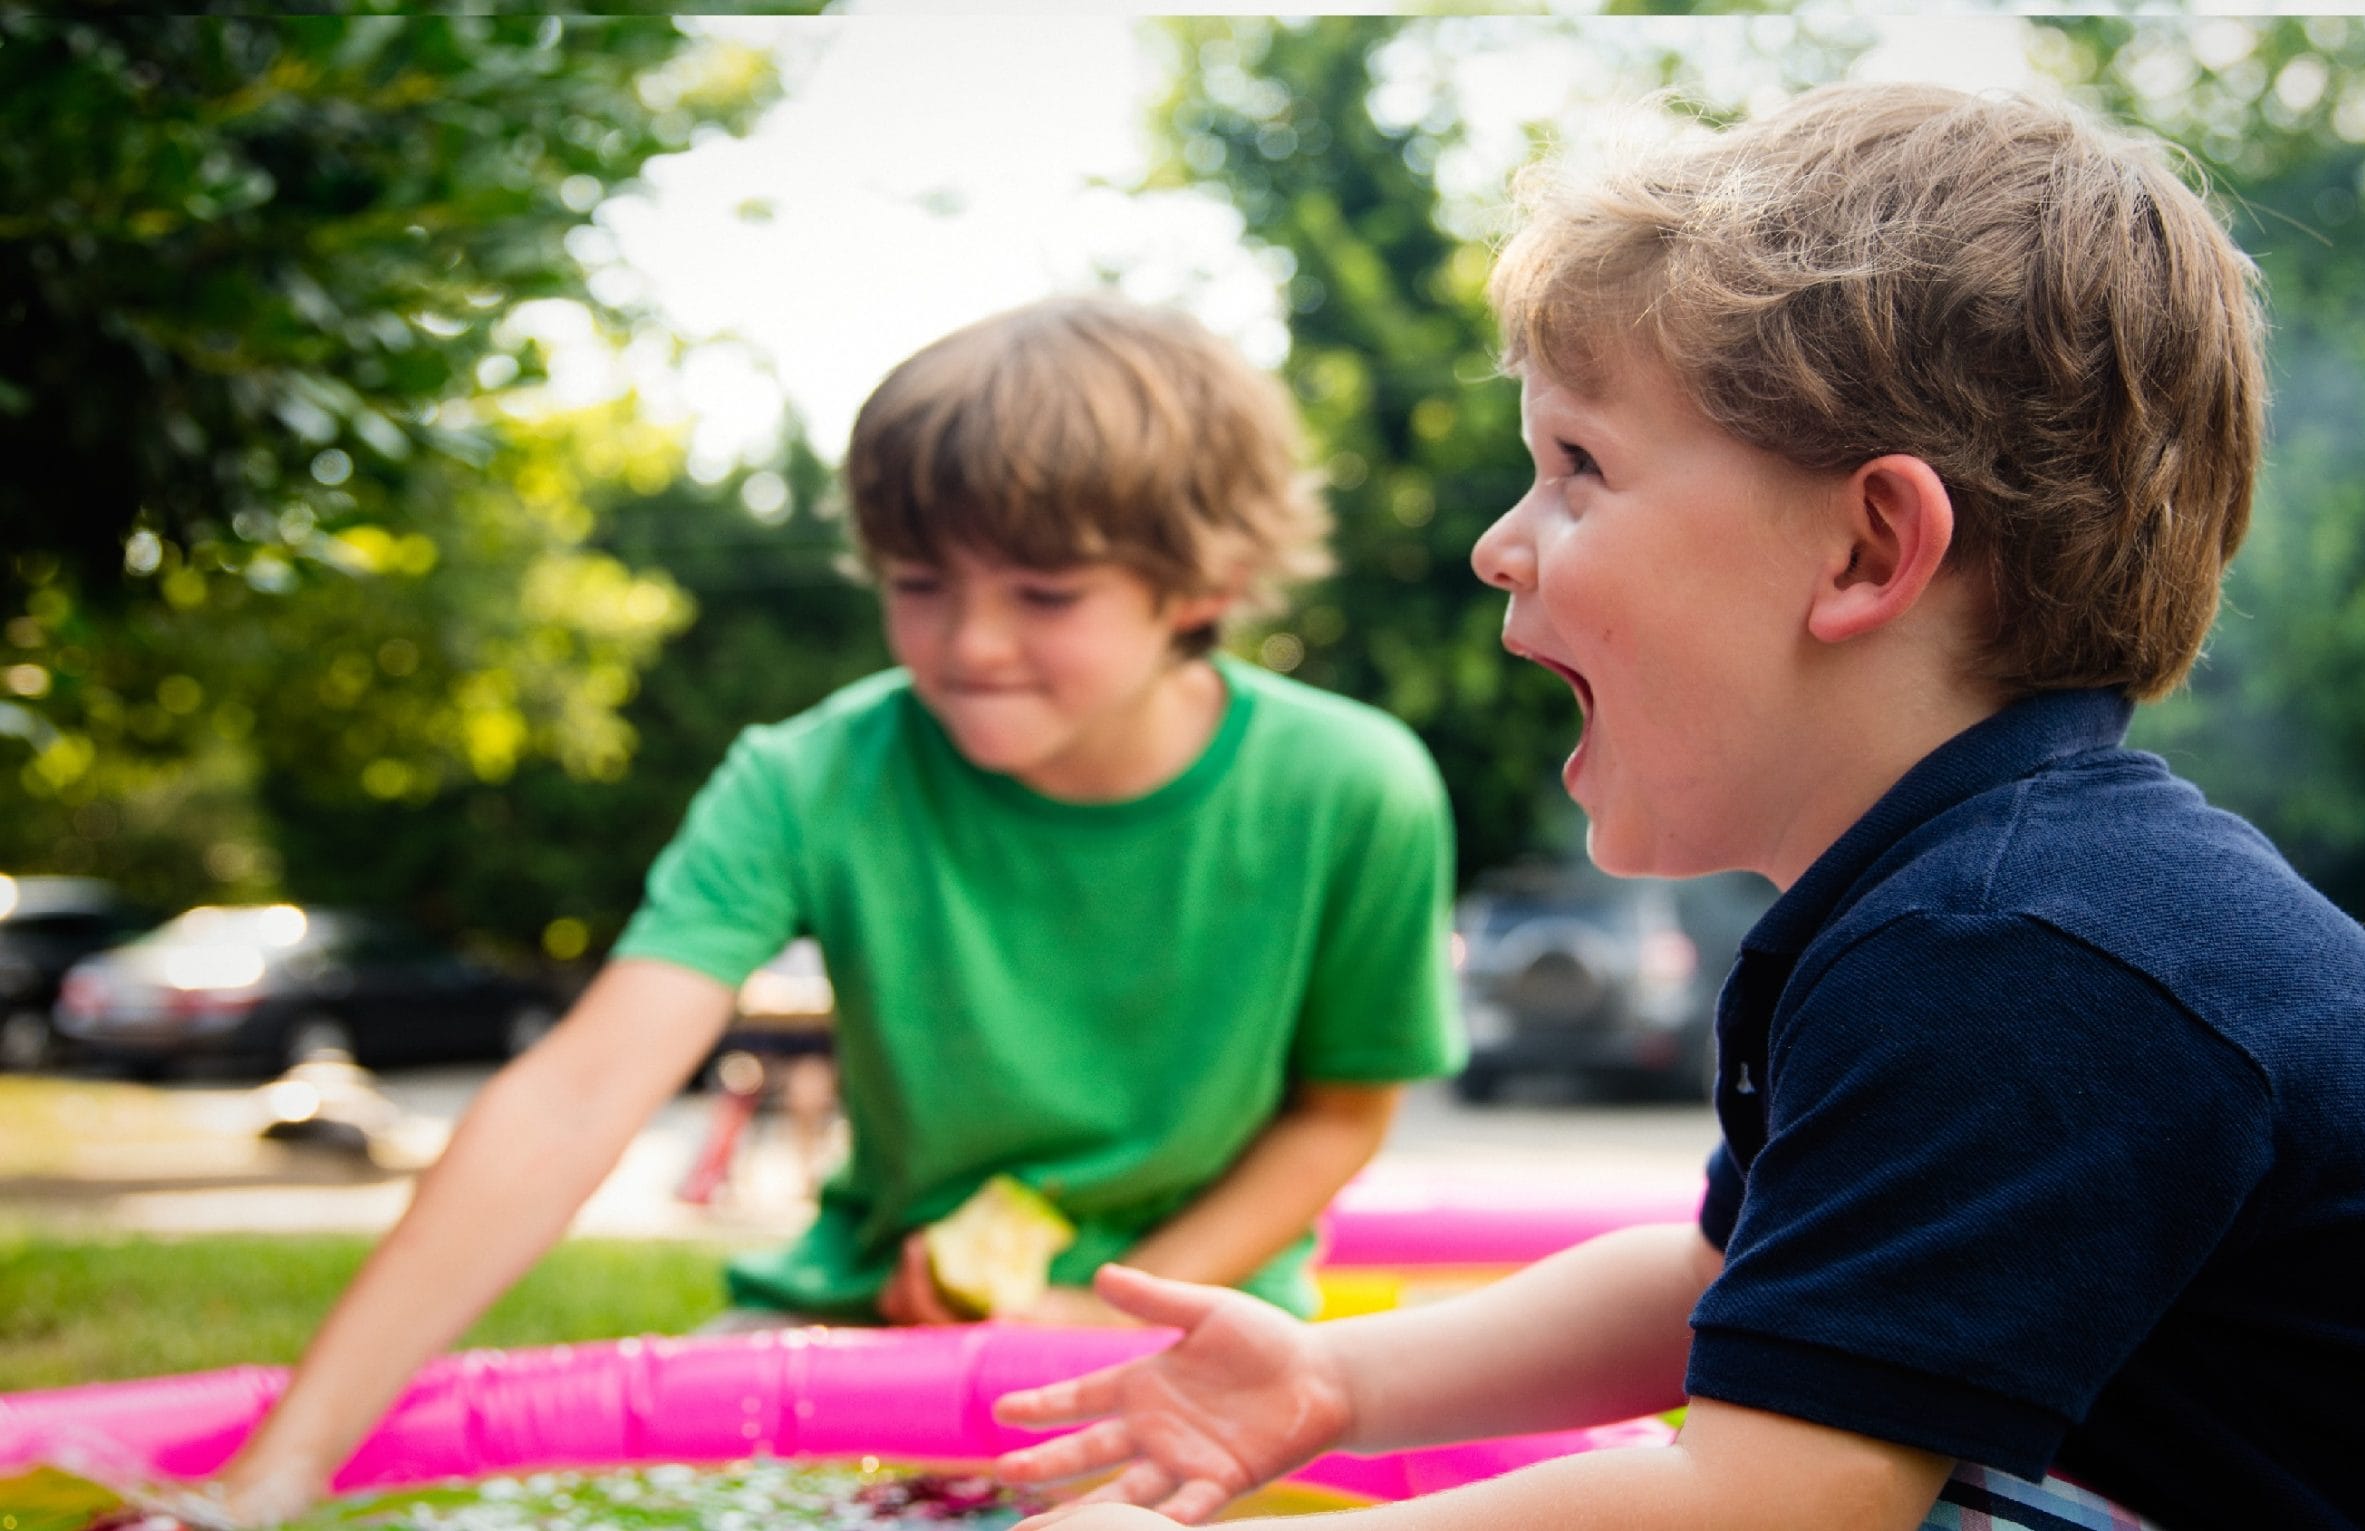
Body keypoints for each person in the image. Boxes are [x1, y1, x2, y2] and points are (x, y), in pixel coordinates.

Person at [986, 84, 2365, 1531]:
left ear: (1870, 552)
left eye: (1577, 465)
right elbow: (1728, 1279)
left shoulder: (2021, 952)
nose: (1497, 542)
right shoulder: (1976, 898)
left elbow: (1766, 1504)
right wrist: (1345, 1383)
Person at [211, 295, 1465, 1521]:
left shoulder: (1353, 786)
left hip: (1201, 1337)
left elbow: (1339, 1111)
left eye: (1043, 594)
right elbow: (574, 1095)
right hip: (861, 1323)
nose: (969, 642)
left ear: (1204, 582)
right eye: (918, 582)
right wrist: (283, 1465)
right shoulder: (807, 775)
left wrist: (1102, 1304)